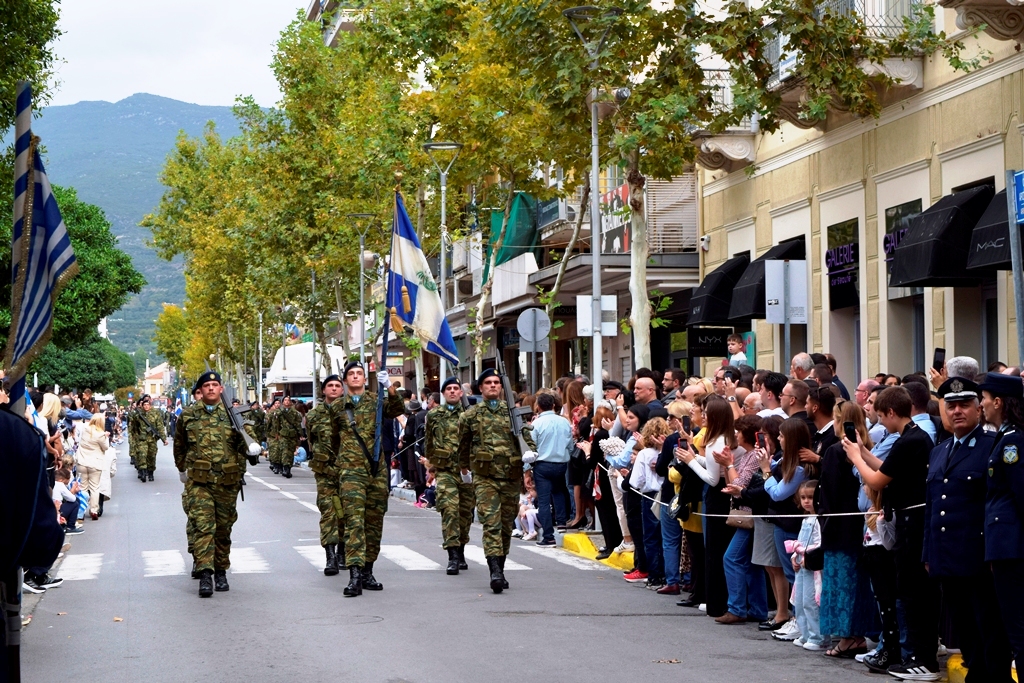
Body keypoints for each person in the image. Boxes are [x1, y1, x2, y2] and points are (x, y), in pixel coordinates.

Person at [844, 386, 940, 680]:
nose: (881, 422)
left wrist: (855, 458)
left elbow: (876, 480)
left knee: (913, 594)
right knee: (909, 592)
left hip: (913, 525)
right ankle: (917, 656)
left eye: (882, 416)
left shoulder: (910, 440)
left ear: (891, 412)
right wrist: (862, 451)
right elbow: (888, 468)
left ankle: (923, 659)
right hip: (908, 522)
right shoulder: (910, 437)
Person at [923, 375, 1013, 682]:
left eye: (964, 405)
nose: (957, 411)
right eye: (951, 406)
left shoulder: (992, 446)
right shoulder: (939, 451)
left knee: (989, 627)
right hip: (946, 556)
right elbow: (932, 505)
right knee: (963, 628)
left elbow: (996, 504)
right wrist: (928, 552)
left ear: (978, 408)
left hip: (978, 556)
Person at [174, 370, 260, 598]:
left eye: (215, 385)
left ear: (221, 389)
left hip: (226, 482)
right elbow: (180, 444)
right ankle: (205, 574)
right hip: (199, 482)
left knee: (223, 529)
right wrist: (182, 470)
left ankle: (221, 571)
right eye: (207, 385)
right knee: (204, 527)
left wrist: (252, 447)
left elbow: (248, 442)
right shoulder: (189, 415)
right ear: (200, 391)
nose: (211, 388)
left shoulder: (234, 415)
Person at [457, 368, 536, 594]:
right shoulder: (470, 415)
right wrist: (464, 470)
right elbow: (463, 446)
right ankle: (495, 572)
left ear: (501, 387)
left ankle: (500, 566)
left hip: (511, 476)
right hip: (485, 478)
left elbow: (527, 440)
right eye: (488, 383)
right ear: (481, 388)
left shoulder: (513, 412)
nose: (493, 385)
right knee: (491, 523)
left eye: (496, 382)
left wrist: (530, 455)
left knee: (505, 525)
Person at [330, 362, 405, 597]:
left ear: (365, 379)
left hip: (376, 471)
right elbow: (333, 439)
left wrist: (389, 387)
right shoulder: (337, 407)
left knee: (374, 522)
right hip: (351, 472)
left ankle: (367, 571)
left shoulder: (377, 400)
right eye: (351, 374)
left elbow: (398, 409)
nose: (355, 377)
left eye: (359, 374)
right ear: (345, 380)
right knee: (354, 522)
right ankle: (354, 575)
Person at [978, 372, 1024, 669]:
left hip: (1012, 548)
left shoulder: (1012, 442)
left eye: (983, 399)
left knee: (1018, 628)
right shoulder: (1005, 438)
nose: (981, 405)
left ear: (998, 402)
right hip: (1005, 547)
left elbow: (1020, 493)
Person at [425, 378, 474, 575]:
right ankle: (452, 555)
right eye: (449, 389)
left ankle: (461, 549)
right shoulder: (434, 415)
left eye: (456, 389)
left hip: (466, 472)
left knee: (465, 513)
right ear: (444, 393)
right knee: (450, 511)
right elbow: (429, 441)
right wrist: (431, 465)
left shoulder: (470, 414)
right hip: (445, 471)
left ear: (461, 393)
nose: (452, 391)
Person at [306, 375, 347, 577]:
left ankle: (343, 551)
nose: (334, 388)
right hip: (324, 472)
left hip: (348, 470)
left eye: (337, 385)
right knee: (329, 512)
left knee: (346, 512)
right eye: (330, 385)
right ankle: (330, 556)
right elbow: (311, 441)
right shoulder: (313, 415)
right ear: (323, 390)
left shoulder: (350, 412)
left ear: (343, 390)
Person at [528, 392, 574, 546]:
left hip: (542, 464)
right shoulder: (564, 422)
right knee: (559, 491)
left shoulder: (537, 424)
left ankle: (548, 536)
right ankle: (561, 523)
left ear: (538, 407)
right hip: (561, 463)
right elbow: (570, 445)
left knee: (544, 500)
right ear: (553, 405)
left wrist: (527, 469)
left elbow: (531, 448)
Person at [788, 479, 824, 650]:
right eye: (803, 498)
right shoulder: (805, 519)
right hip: (802, 564)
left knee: (811, 601)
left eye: (810, 497)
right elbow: (800, 542)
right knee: (800, 600)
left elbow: (819, 543)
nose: (807, 501)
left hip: (812, 565)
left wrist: (807, 555)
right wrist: (794, 556)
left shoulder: (819, 520)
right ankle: (805, 634)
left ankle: (818, 637)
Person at [76, 413, 109, 520]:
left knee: (83, 488)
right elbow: (105, 447)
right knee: (95, 488)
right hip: (95, 463)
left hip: (82, 461)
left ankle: (81, 512)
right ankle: (94, 510)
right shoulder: (101, 435)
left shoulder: (85, 429)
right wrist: (106, 437)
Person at [136, 395, 167, 482]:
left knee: (151, 456)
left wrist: (164, 439)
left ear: (150, 405)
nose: (146, 406)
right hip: (142, 439)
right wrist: (136, 437)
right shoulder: (138, 415)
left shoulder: (155, 414)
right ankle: (143, 472)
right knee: (142, 455)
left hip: (152, 439)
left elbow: (160, 427)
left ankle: (150, 473)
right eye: (144, 405)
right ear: (142, 406)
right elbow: (134, 427)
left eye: (148, 405)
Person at [276, 395, 302, 478]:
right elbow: (276, 424)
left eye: (288, 400)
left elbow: (298, 424)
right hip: (283, 435)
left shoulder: (295, 413)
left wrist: (300, 434)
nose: (287, 401)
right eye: (285, 400)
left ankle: (288, 468)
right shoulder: (279, 412)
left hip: (293, 435)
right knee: (285, 451)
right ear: (283, 402)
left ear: (291, 402)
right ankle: (285, 468)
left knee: (290, 452)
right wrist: (276, 434)